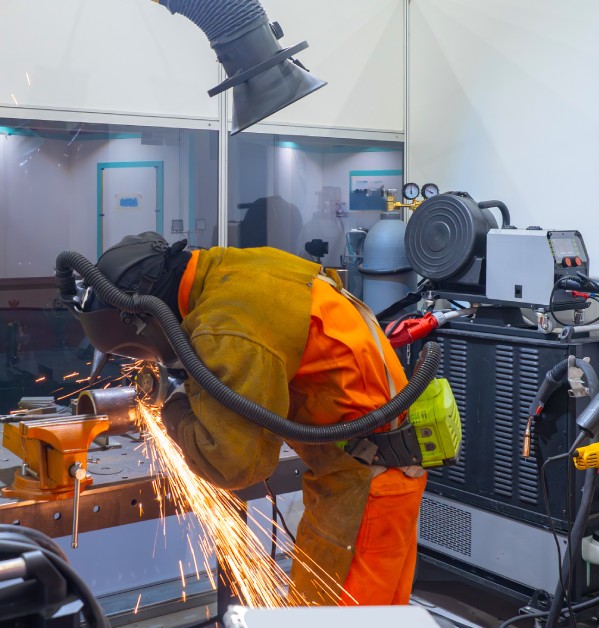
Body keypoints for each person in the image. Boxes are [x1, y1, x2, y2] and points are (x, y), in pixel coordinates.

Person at [76, 232, 427, 606]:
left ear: (145, 317)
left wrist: (174, 408)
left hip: (365, 489)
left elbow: (236, 465)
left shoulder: (226, 324)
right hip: (373, 474)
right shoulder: (234, 270)